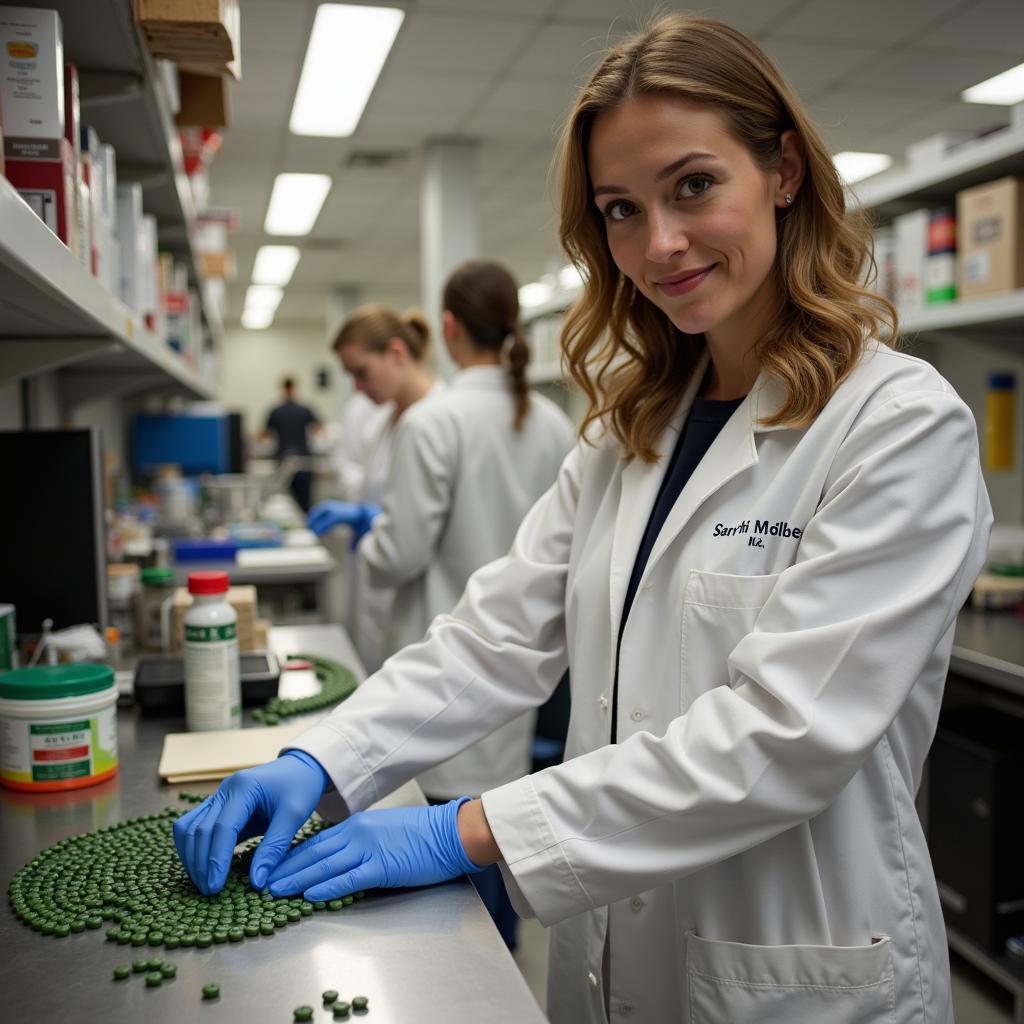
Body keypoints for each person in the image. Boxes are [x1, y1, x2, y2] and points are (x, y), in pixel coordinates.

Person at [175, 14, 992, 1024]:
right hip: (609, 959)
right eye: (619, 208)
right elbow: (496, 634)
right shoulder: (629, 429)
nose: (658, 243)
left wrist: (461, 832)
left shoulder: (898, 425)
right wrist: (323, 757)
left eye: (693, 185)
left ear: (781, 170)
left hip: (793, 972)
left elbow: (778, 737)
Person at [314, 259, 575, 947]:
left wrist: (365, 541)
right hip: (517, 676)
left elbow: (398, 554)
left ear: (450, 328)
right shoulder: (550, 419)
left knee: (441, 890)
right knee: (495, 844)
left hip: (446, 668)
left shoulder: (434, 421)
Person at [309, 306, 439, 673]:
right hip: (375, 587)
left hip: (425, 603)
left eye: (361, 372)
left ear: (396, 353)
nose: (357, 387)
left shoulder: (443, 419)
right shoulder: (379, 423)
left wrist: (381, 521)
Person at [262, 377, 321, 512]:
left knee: (284, 502)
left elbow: (264, 434)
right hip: (303, 461)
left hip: (283, 461)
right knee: (305, 503)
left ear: (283, 389)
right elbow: (319, 429)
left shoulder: (276, 411)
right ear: (294, 389)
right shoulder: (305, 409)